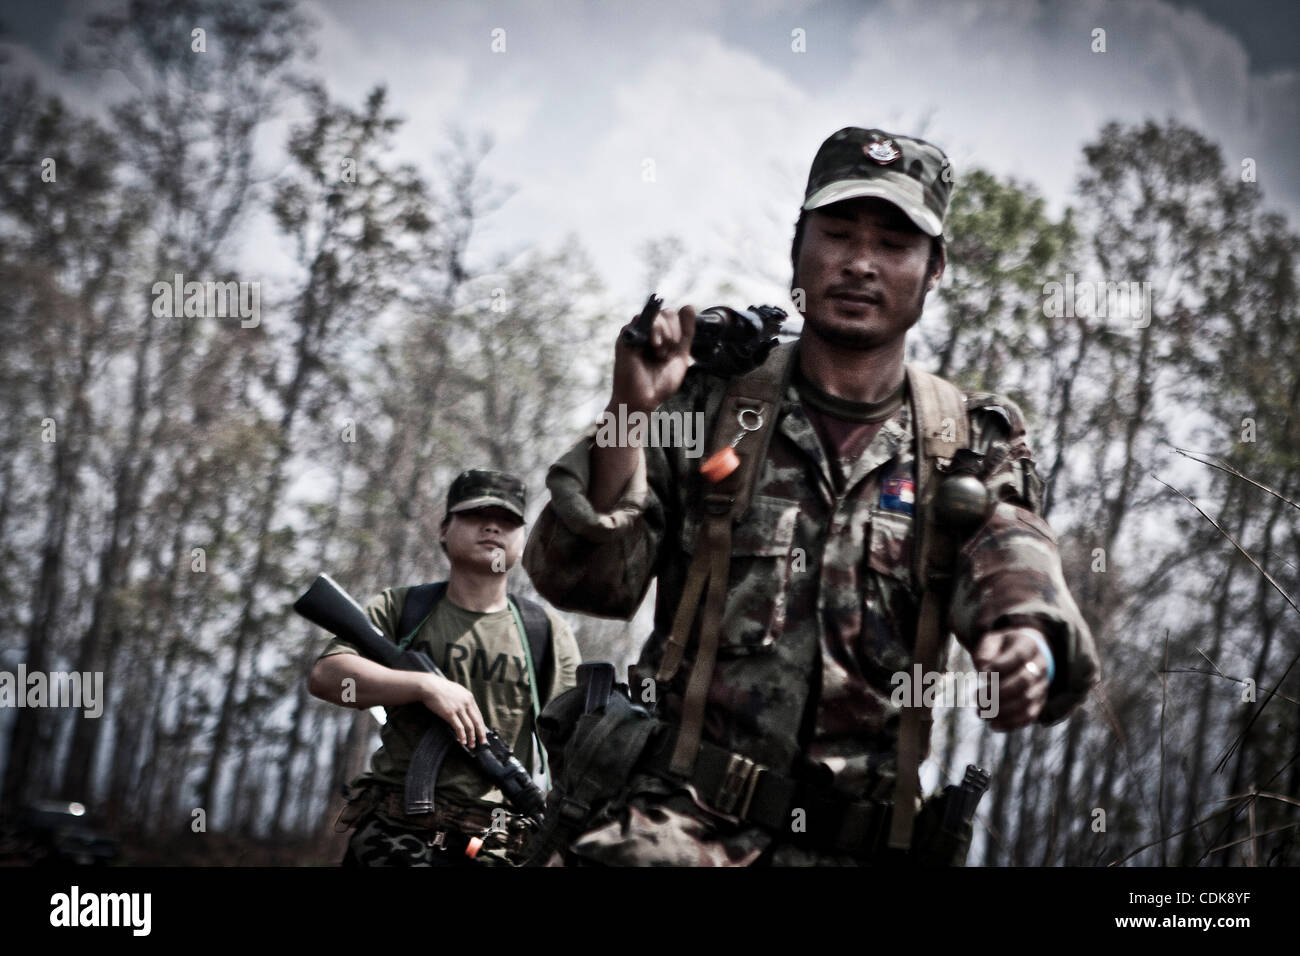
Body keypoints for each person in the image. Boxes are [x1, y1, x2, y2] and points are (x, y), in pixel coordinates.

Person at [522, 127, 1101, 866]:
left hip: (867, 844)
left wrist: (1028, 643)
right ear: (799, 246)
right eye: (838, 233)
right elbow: (583, 581)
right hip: (680, 827)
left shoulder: (971, 443)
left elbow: (1014, 556)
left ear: (934, 270)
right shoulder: (709, 402)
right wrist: (629, 411)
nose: (860, 263)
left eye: (893, 244)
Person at [310, 468, 580, 866]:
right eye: (475, 515)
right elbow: (327, 677)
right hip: (394, 832)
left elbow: (574, 745)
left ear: (522, 540)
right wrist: (424, 687)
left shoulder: (545, 632)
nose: (492, 527)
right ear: (443, 530)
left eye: (508, 521)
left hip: (495, 845)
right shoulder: (404, 609)